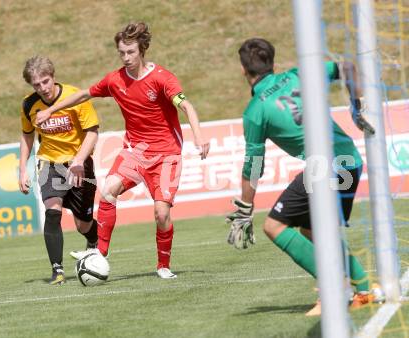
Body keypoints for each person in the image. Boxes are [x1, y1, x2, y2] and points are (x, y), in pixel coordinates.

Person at [35, 22, 210, 279]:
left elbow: (187, 107)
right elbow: (84, 94)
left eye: (131, 52)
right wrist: (50, 110)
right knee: (107, 191)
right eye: (122, 53)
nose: (126, 58)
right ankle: (99, 253)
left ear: (142, 50)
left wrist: (199, 136)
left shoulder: (162, 78)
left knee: (161, 213)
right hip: (135, 152)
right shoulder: (115, 80)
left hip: (166, 156)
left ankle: (163, 265)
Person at [226, 37, 380, 315]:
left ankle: (333, 291)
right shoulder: (298, 75)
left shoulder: (255, 111)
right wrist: (357, 107)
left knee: (273, 226)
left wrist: (245, 210)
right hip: (350, 161)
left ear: (242, 70)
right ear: (273, 62)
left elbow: (254, 165)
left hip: (325, 166)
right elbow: (347, 67)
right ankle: (365, 287)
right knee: (313, 230)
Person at [19, 55, 99, 285]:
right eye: (37, 84)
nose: (42, 88)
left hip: (79, 164)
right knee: (52, 212)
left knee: (83, 224)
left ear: (53, 77)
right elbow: (26, 136)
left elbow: (93, 132)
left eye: (45, 81)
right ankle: (58, 271)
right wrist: (22, 169)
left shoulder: (75, 97)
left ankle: (93, 242)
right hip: (49, 164)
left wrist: (79, 160)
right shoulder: (28, 105)